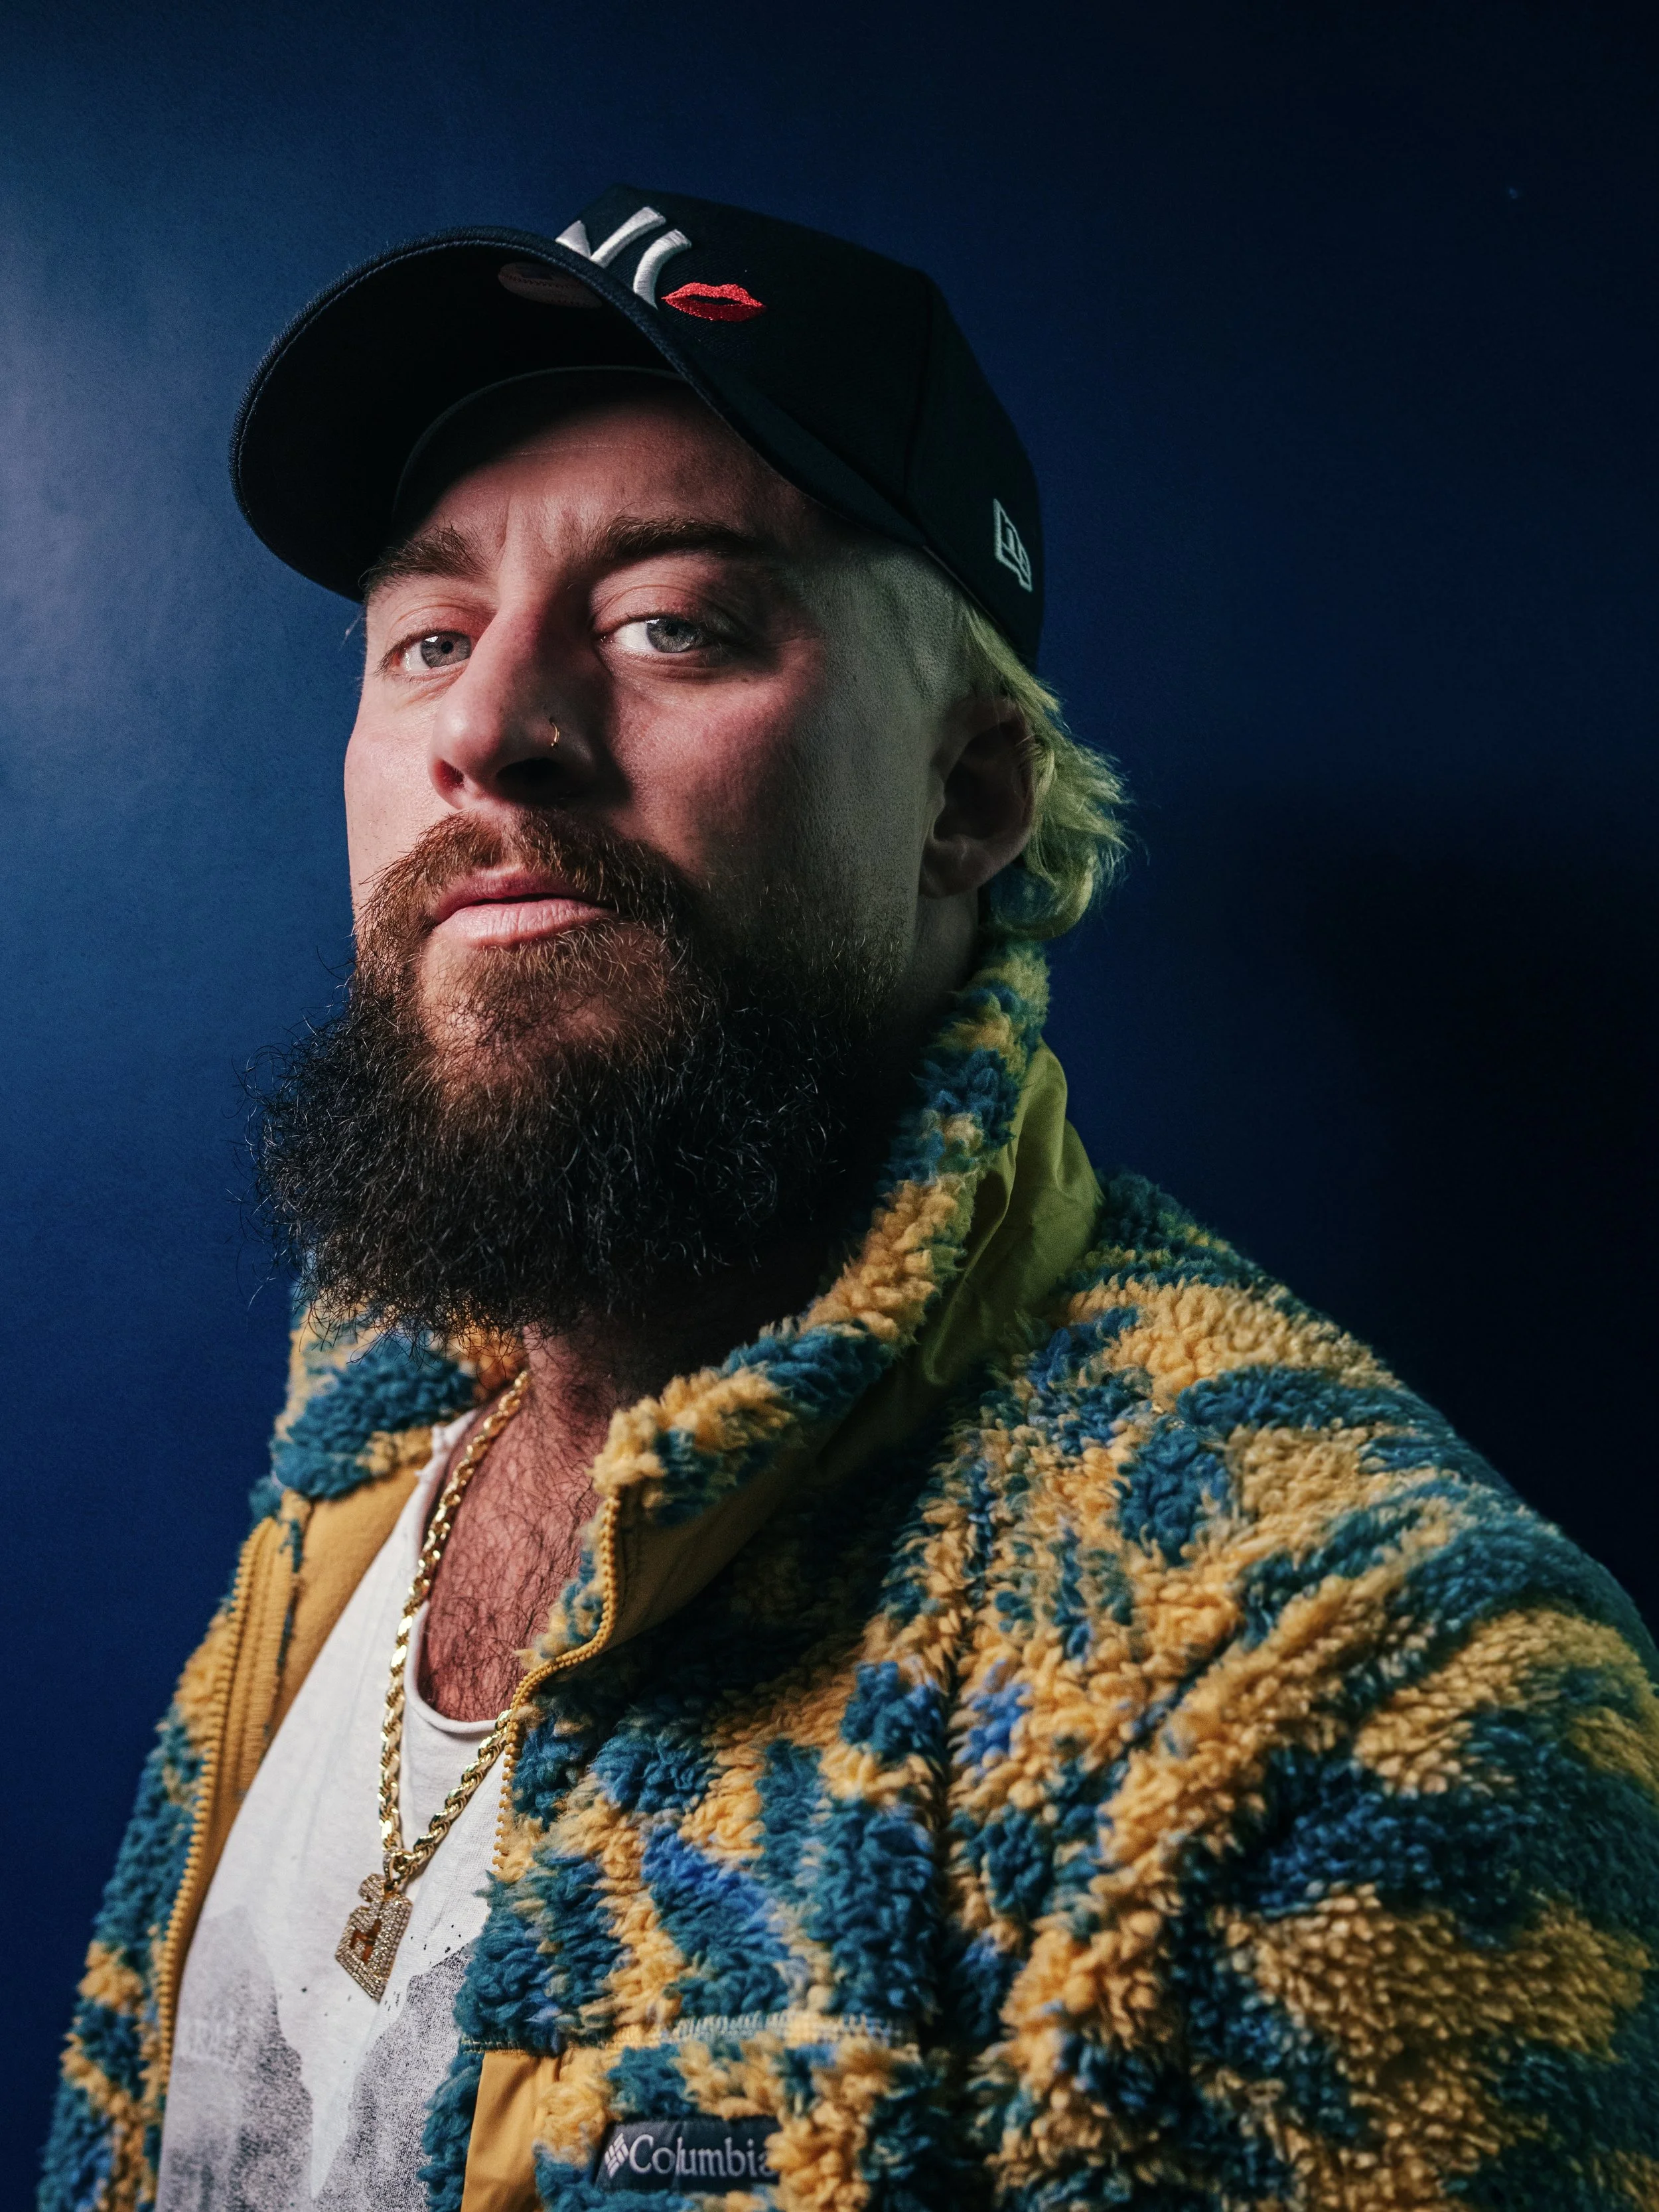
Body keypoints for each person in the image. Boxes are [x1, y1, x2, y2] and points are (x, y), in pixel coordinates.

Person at [42, 184, 1659, 2212]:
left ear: (967, 794)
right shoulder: (362, 1454)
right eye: (426, 636)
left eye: (671, 622)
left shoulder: (1347, 1684)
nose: (485, 726)